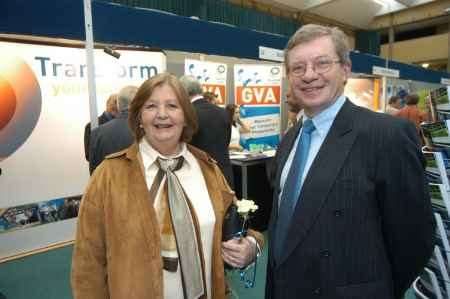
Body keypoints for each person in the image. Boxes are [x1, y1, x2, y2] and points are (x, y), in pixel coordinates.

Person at [266, 24, 435, 299]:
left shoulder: (386, 135)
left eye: (322, 64)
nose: (309, 75)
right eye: (298, 68)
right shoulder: (290, 139)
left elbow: (415, 238)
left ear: (345, 70)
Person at [71, 73, 262, 299]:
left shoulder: (208, 169)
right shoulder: (109, 175)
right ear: (139, 116)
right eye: (151, 106)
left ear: (186, 116)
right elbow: (88, 263)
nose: (162, 114)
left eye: (172, 105)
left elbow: (239, 227)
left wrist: (251, 245)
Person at [179, 75, 234, 188]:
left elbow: (184, 146)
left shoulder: (188, 115)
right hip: (224, 175)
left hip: (198, 177)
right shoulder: (223, 113)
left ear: (183, 93)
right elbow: (226, 142)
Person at [88, 86, 137, 174]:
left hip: (107, 185)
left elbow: (94, 172)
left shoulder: (97, 133)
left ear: (118, 105)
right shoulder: (148, 131)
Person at [83, 94, 118, 161]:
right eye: (114, 101)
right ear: (107, 103)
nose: (116, 105)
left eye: (118, 103)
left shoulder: (126, 126)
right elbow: (89, 155)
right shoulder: (91, 126)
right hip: (102, 169)